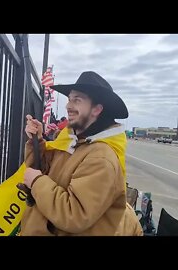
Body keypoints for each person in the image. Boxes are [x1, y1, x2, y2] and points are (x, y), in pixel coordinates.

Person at [19, 71, 143, 236]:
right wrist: (38, 141)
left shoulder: (101, 157)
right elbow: (44, 170)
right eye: (69, 99)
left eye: (77, 100)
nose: (68, 106)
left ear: (96, 109)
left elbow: (74, 215)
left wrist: (36, 182)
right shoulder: (76, 142)